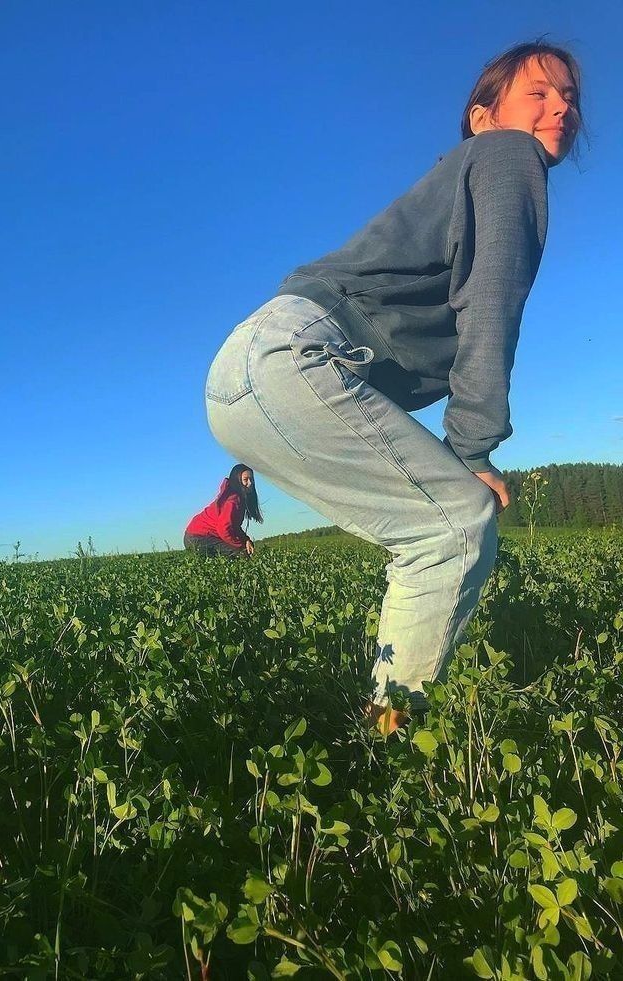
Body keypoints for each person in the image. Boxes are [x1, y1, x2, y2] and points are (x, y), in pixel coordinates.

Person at [204, 41, 583, 734]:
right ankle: (390, 755)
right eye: (540, 93)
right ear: (483, 117)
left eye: (570, 98)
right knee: (455, 525)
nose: (562, 107)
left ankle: (381, 727)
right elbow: (490, 300)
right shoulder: (506, 157)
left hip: (248, 368)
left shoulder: (467, 174)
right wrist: (472, 447)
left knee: (430, 528)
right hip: (297, 355)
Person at [184, 464, 263, 558]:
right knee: (241, 555)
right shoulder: (232, 500)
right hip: (198, 538)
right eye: (246, 480)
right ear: (237, 481)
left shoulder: (239, 498)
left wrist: (245, 540)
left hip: (198, 537)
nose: (250, 483)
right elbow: (224, 529)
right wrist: (241, 546)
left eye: (252, 479)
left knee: (240, 553)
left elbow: (234, 527)